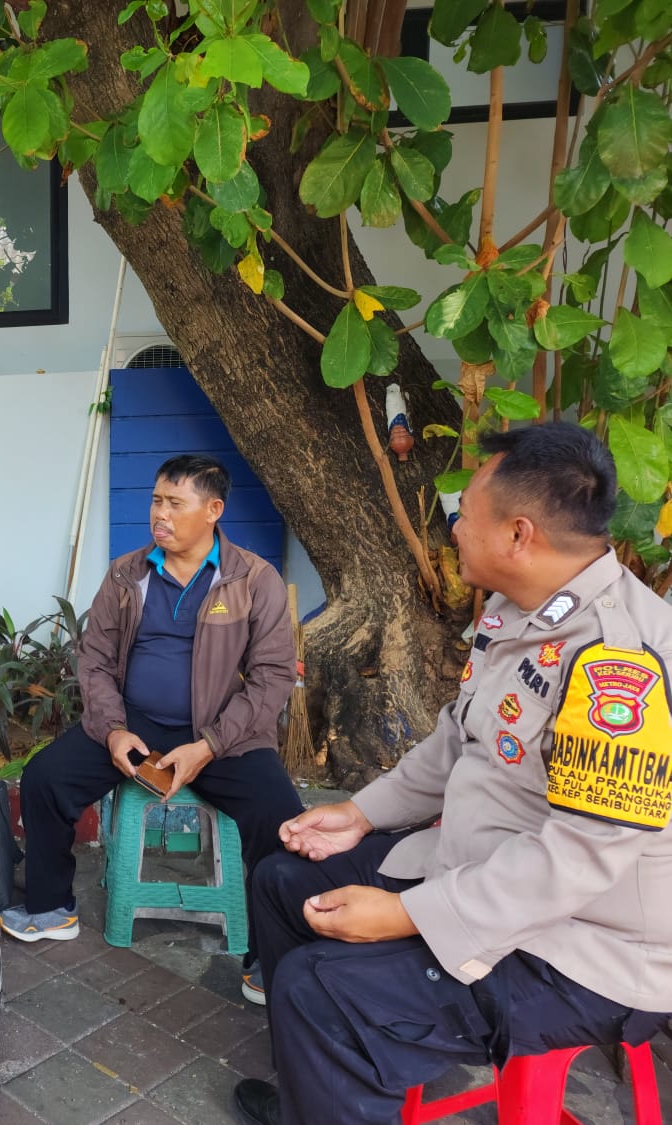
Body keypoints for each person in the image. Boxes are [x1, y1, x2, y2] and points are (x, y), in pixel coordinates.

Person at [233, 423, 672, 1125]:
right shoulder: (516, 607)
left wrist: (406, 914)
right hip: (480, 865)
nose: (454, 528)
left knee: (320, 990)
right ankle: (312, 1097)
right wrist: (360, 813)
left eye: (465, 513)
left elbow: (580, 859)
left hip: (583, 946)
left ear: (519, 534)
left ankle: (337, 1065)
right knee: (282, 881)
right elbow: (458, 736)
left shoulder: (619, 665)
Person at [3, 454, 302, 1004]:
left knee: (280, 819)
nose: (160, 514)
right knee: (46, 777)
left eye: (175, 503)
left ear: (213, 510)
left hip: (221, 731)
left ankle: (272, 957)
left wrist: (209, 745)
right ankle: (50, 908)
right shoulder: (127, 574)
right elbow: (94, 661)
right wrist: (113, 730)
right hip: (134, 722)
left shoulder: (254, 580)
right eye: (156, 501)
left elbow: (272, 678)